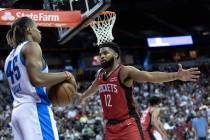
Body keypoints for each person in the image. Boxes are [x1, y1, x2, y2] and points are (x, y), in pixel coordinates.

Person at [80, 42, 200, 140]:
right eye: (100, 54)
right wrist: (81, 97)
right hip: (110, 127)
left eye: (105, 53)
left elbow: (149, 76)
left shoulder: (125, 71)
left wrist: (176, 76)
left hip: (128, 124)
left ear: (116, 55)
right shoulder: (100, 74)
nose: (101, 56)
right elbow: (92, 88)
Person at [4, 17, 77, 140]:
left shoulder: (9, 58)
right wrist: (66, 75)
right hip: (35, 110)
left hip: (18, 112)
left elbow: (27, 84)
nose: (39, 32)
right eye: (36, 28)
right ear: (29, 30)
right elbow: (36, 79)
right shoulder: (32, 46)